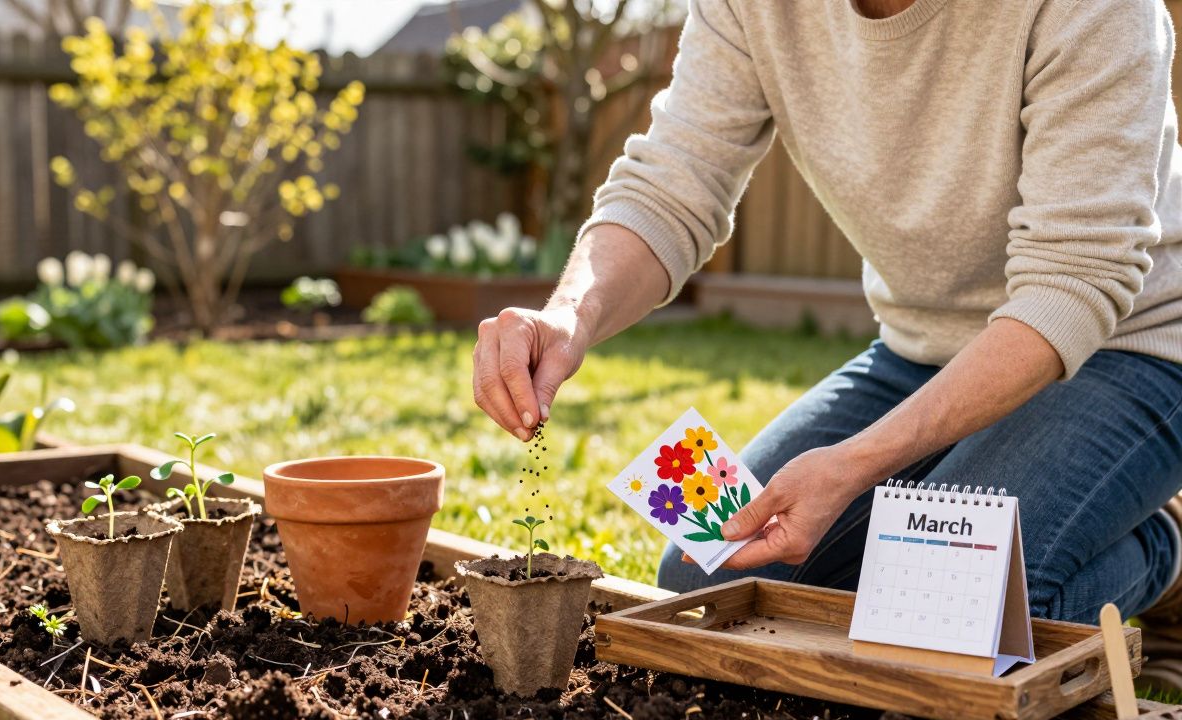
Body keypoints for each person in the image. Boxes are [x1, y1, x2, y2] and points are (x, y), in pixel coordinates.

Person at [470, 0, 1182, 644]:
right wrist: (569, 315)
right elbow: (673, 182)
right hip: (922, 350)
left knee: (938, 616)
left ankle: (1163, 550)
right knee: (708, 574)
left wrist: (856, 464)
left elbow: (1072, 284)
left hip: (1129, 348)